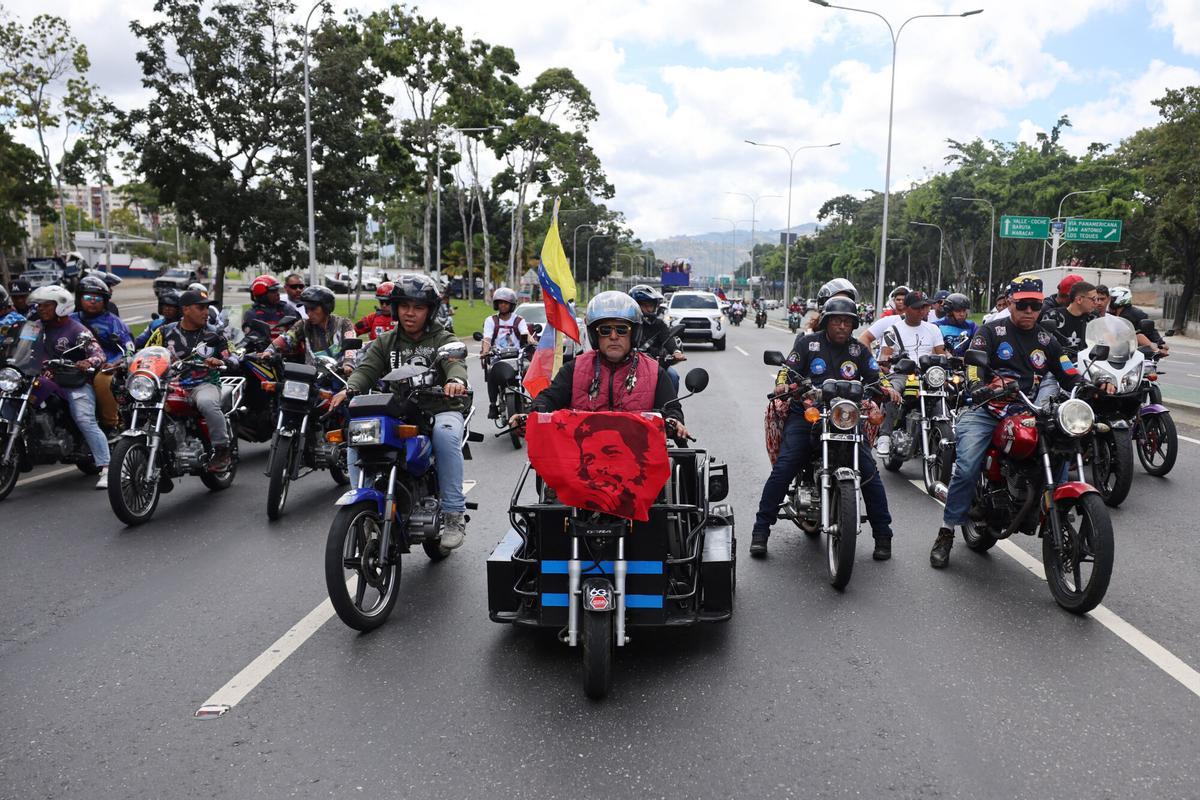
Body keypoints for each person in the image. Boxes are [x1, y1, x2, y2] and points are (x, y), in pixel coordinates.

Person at [930, 277, 1080, 568]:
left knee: (1061, 445)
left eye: (1034, 305)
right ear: (1011, 303)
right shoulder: (990, 331)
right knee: (968, 465)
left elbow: (1067, 370)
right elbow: (973, 365)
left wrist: (1093, 383)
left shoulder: (1046, 339)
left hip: (1028, 408)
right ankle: (947, 531)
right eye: (1022, 304)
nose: (1028, 311)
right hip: (987, 408)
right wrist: (977, 386)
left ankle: (1054, 509)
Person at [750, 296, 900, 559]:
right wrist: (783, 385)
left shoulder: (858, 351)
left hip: (845, 417)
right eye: (837, 321)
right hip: (808, 414)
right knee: (786, 465)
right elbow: (788, 370)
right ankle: (760, 531)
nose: (842, 326)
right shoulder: (808, 343)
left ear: (853, 325)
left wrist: (887, 390)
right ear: (827, 322)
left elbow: (877, 378)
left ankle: (883, 535)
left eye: (847, 322)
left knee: (868, 471)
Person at [331, 275, 471, 550]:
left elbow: (455, 364)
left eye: (418, 307)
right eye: (405, 305)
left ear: (429, 310)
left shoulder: (443, 338)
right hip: (399, 410)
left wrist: (456, 382)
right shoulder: (386, 341)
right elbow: (367, 369)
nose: (410, 312)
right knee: (356, 439)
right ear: (395, 308)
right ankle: (366, 502)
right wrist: (349, 390)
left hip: (440, 408)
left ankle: (454, 514)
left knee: (445, 436)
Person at [508, 291, 689, 440]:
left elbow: (672, 409)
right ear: (595, 336)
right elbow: (549, 399)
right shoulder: (574, 368)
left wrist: (673, 422)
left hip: (639, 460)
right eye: (605, 330)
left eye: (621, 330)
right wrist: (530, 415)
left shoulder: (655, 372)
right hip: (580, 460)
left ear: (634, 334)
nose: (613, 336)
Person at [26, 285, 111, 488]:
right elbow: (20, 348)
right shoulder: (34, 326)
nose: (41, 309)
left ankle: (107, 467)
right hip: (39, 380)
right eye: (39, 305)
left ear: (61, 307)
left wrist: (87, 362)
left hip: (71, 381)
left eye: (47, 305)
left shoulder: (77, 330)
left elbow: (99, 354)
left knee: (84, 418)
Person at [146, 290, 240, 472]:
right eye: (201, 308)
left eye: (206, 308)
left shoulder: (215, 334)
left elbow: (234, 357)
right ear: (186, 310)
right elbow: (147, 352)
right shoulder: (164, 332)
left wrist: (221, 361)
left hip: (204, 383)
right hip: (170, 385)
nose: (206, 312)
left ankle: (222, 450)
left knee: (207, 403)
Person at [858, 290, 946, 455]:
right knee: (892, 392)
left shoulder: (933, 329)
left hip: (928, 375)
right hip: (902, 374)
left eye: (926, 307)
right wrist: (887, 362)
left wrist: (952, 358)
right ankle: (884, 436)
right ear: (906, 308)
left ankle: (947, 432)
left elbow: (941, 353)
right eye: (918, 307)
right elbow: (885, 355)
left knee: (948, 392)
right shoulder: (893, 330)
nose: (923, 311)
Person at [71, 275, 133, 432]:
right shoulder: (69, 320)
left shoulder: (114, 322)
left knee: (103, 381)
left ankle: (111, 424)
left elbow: (130, 349)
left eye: (98, 298)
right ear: (79, 299)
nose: (92, 301)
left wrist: (117, 363)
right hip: (73, 367)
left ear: (105, 301)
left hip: (106, 367)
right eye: (88, 297)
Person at [258, 286, 357, 374]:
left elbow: (351, 346)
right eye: (306, 309)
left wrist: (348, 364)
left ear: (326, 307)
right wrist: (269, 351)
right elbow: (286, 338)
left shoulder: (343, 324)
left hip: (340, 376)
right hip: (312, 377)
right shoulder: (304, 324)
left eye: (313, 309)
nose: (308, 313)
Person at [480, 287, 533, 419]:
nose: (502, 305)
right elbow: (487, 338)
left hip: (518, 357)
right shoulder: (490, 320)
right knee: (492, 372)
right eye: (500, 302)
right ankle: (493, 404)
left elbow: (525, 334)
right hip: (498, 357)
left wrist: (533, 341)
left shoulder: (519, 320)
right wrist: (485, 351)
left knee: (531, 371)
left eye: (506, 303)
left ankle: (532, 399)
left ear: (512, 305)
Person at [630, 284, 686, 392]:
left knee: (673, 376)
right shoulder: (628, 324)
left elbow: (667, 338)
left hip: (654, 364)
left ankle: (670, 407)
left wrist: (675, 351)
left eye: (652, 305)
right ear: (635, 306)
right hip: (629, 365)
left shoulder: (659, 324)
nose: (650, 309)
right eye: (646, 305)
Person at [1039, 280, 1097, 356]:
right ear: (1079, 300)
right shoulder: (1054, 316)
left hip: (1088, 364)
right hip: (1059, 363)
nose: (1096, 302)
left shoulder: (1093, 318)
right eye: (1093, 299)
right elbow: (1043, 344)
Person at [1109, 286, 1170, 356]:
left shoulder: (1136, 314)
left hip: (1133, 349)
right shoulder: (1110, 313)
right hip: (1115, 348)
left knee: (1139, 336)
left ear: (1120, 299)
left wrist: (1161, 344)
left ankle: (1156, 351)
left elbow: (1151, 330)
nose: (1109, 301)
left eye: (1111, 299)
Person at [243, 275, 293, 339]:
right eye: (273, 291)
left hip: (286, 347)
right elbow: (251, 337)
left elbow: (298, 329)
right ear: (262, 294)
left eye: (277, 290)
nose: (278, 294)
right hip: (264, 348)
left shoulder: (286, 309)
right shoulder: (252, 314)